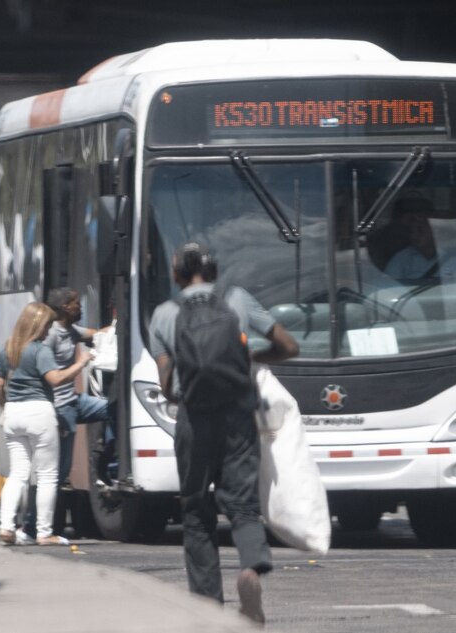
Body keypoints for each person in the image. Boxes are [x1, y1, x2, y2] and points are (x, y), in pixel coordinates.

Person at [149, 242, 298, 625]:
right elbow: (288, 345)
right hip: (238, 416)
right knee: (243, 505)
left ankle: (207, 604)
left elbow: (166, 386)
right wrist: (251, 357)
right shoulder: (238, 300)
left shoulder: (164, 314)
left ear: (177, 274)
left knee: (197, 511)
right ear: (214, 271)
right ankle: (251, 567)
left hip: (194, 419)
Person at [21, 287, 111, 537]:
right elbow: (51, 379)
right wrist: (82, 362)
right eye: (75, 303)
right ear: (63, 309)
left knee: (114, 410)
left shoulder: (71, 331)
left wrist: (116, 326)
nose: (80, 307)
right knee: (57, 471)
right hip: (60, 408)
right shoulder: (48, 337)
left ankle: (108, 461)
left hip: (75, 401)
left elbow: (96, 333)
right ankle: (31, 526)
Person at [0, 301, 79, 546]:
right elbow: (55, 379)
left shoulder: (8, 348)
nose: (49, 330)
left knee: (18, 473)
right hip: (39, 411)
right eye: (48, 324)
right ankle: (44, 532)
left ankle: (6, 527)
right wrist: (81, 364)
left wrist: (5, 405)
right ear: (38, 325)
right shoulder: (40, 350)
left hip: (12, 413)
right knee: (47, 476)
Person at [384, 195, 456, 281]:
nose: (414, 235)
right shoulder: (401, 260)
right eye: (412, 231)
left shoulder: (452, 260)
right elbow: (388, 288)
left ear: (434, 231)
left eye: (420, 230)